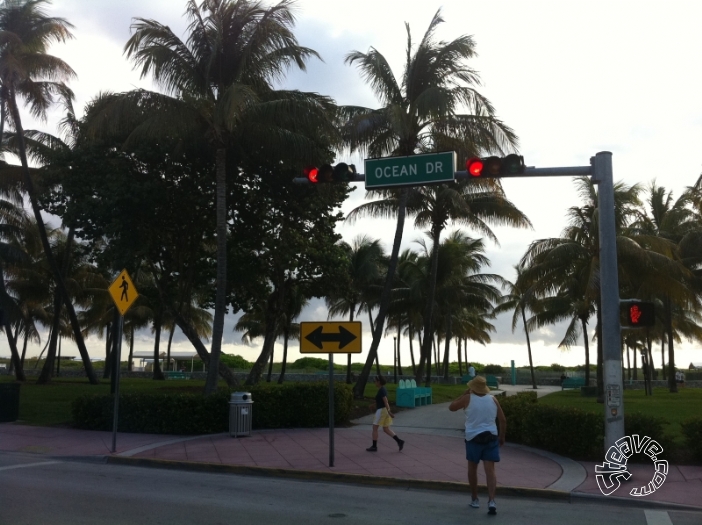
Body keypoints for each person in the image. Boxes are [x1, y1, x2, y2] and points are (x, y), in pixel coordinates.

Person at [449, 375, 507, 516]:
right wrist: (501, 437)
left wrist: (462, 395)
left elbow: (452, 407)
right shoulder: (493, 400)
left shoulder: (467, 398)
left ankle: (475, 499)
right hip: (491, 437)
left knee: (472, 468)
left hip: (473, 438)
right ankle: (492, 501)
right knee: (490, 470)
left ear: (472, 387)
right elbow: (503, 420)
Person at [366, 375, 405, 452]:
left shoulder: (382, 390)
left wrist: (389, 411)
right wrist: (373, 405)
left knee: (375, 428)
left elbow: (385, 401)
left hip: (382, 411)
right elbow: (380, 401)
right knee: (386, 428)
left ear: (379, 382)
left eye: (375, 381)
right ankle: (399, 441)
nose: (374, 382)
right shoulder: (382, 389)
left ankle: (374, 446)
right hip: (384, 411)